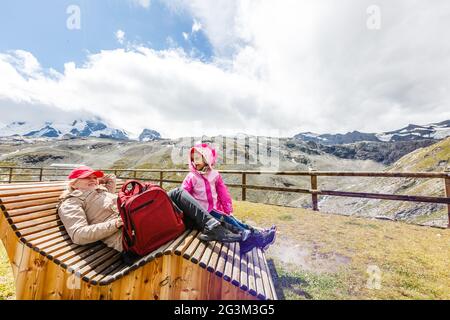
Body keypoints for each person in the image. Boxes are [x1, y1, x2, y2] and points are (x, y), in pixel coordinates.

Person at [57, 166, 244, 258]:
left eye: (94, 177)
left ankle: (231, 231)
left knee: (178, 199)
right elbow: (78, 234)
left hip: (139, 225)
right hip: (130, 236)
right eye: (86, 178)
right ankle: (235, 232)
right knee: (179, 198)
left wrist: (107, 182)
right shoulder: (71, 202)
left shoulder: (99, 191)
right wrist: (116, 223)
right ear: (73, 184)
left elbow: (110, 201)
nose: (92, 180)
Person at [181, 143, 276, 253]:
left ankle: (259, 235)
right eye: (193, 159)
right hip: (203, 213)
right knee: (230, 222)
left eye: (197, 158)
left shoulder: (214, 175)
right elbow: (183, 194)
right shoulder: (192, 177)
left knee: (233, 220)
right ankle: (260, 239)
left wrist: (227, 208)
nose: (195, 162)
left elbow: (223, 193)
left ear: (206, 157)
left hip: (215, 209)